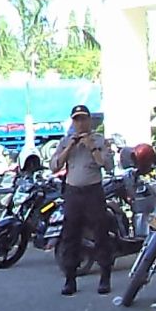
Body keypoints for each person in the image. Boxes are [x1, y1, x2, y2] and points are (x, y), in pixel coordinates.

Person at [49, 104, 115, 296]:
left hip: (93, 191)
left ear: (89, 120)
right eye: (77, 120)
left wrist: (91, 146)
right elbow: (54, 165)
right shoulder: (65, 141)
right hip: (73, 193)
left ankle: (105, 276)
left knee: (101, 234)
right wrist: (70, 146)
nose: (80, 123)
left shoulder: (99, 140)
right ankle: (70, 278)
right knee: (70, 235)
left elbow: (108, 165)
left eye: (83, 119)